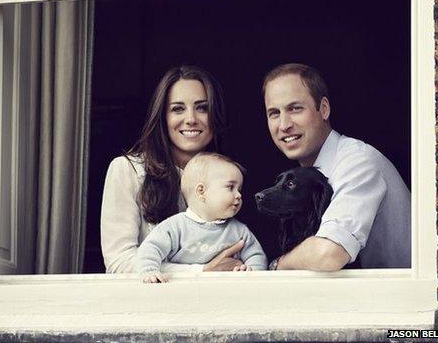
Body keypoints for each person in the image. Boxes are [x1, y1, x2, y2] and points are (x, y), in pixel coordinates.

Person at [262, 63, 410, 271]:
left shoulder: (358, 162)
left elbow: (328, 254)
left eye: (295, 108)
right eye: (274, 113)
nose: (284, 124)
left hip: (400, 300)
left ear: (324, 109)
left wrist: (278, 266)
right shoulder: (308, 177)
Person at [101, 65, 246, 273]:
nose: (191, 119)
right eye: (178, 108)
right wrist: (202, 271)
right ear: (162, 117)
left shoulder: (229, 175)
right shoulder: (127, 170)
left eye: (202, 107)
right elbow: (119, 262)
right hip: (149, 301)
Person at [137, 152, 267, 283]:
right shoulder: (174, 227)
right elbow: (150, 248)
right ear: (201, 191)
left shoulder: (239, 231)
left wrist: (251, 273)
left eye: (239, 189)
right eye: (230, 187)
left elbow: (256, 256)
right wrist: (149, 271)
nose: (238, 195)